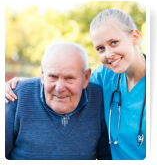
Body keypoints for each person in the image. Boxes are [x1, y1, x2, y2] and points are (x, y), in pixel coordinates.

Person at [5, 8, 146, 160]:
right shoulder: (103, 77)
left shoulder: (102, 79)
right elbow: (68, 83)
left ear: (135, 37)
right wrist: (25, 85)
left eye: (114, 42)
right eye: (100, 48)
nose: (108, 54)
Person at [5, 41, 112, 160]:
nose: (59, 88)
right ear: (42, 74)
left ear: (86, 77)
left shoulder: (99, 99)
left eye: (69, 78)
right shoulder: (15, 96)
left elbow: (106, 156)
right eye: (53, 77)